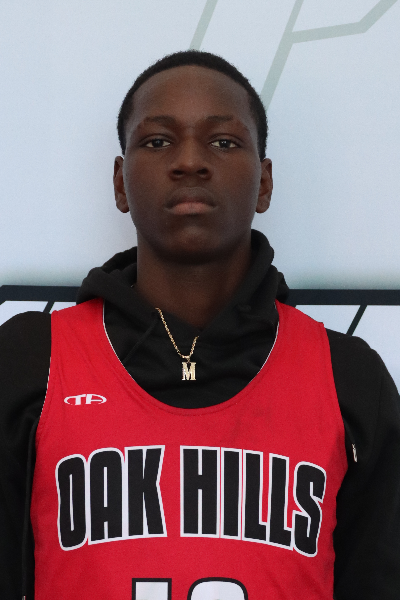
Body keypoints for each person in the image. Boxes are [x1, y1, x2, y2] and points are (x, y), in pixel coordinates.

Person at [0, 50, 399, 600]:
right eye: (158, 141)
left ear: (264, 183)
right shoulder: (28, 362)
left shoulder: (349, 379)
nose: (190, 161)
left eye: (224, 142)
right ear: (120, 182)